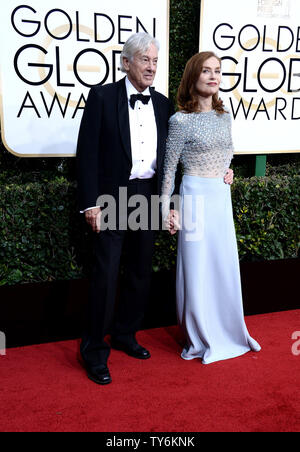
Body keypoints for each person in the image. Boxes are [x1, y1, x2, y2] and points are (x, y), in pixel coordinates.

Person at [76, 33, 174, 385]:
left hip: (147, 194)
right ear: (126, 62)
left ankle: (125, 334)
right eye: (145, 60)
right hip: (112, 197)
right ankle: (93, 350)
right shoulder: (102, 97)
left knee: (140, 271)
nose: (151, 67)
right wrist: (91, 203)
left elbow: (173, 158)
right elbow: (86, 154)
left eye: (154, 61)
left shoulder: (163, 104)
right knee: (106, 274)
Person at [161, 51, 261, 365]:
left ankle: (230, 331)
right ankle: (199, 336)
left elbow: (226, 155)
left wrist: (228, 172)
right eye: (206, 71)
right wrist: (165, 210)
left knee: (222, 264)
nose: (213, 76)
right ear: (193, 76)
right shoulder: (179, 120)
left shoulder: (224, 116)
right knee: (196, 268)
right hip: (194, 196)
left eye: (217, 71)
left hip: (219, 197)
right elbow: (168, 170)